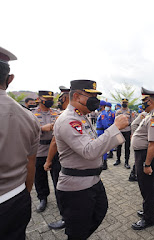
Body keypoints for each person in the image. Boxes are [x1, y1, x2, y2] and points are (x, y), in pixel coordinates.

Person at [54, 79, 128, 239]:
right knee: (77, 231)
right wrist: (115, 128)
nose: (95, 100)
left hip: (92, 180)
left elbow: (93, 144)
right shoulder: (68, 120)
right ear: (77, 96)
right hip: (77, 188)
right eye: (91, 95)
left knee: (99, 211)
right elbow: (89, 151)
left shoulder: (81, 116)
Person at [0, 46, 40, 240]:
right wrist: (24, 193)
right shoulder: (29, 117)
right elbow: (30, 163)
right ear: (10, 79)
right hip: (15, 198)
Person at [131, 87, 154, 230]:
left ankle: (149, 218)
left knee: (148, 187)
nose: (143, 104)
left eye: (144, 101)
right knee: (147, 186)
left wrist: (147, 164)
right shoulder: (151, 114)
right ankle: (149, 211)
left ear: (149, 101)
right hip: (144, 154)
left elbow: (153, 143)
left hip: (147, 155)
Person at [43, 85, 70, 230]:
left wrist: (48, 161)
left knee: (60, 188)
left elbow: (54, 142)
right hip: (71, 159)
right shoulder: (79, 115)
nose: (58, 101)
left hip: (60, 159)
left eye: (59, 98)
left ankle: (65, 218)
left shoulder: (62, 116)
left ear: (65, 98)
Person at [32, 90, 59, 213]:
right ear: (39, 99)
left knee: (57, 177)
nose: (50, 101)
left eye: (51, 98)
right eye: (46, 98)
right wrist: (42, 128)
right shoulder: (32, 114)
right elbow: (28, 132)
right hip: (39, 151)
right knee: (40, 178)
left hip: (55, 150)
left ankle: (60, 198)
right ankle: (42, 198)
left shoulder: (56, 113)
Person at [128, 108, 154, 187]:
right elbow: (134, 124)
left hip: (150, 142)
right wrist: (138, 135)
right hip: (147, 142)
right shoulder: (145, 114)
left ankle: (133, 175)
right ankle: (152, 179)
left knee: (141, 160)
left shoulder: (152, 114)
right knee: (146, 160)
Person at [115, 98, 134, 169]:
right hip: (119, 132)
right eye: (123, 102)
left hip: (127, 131)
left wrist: (132, 134)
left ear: (127, 103)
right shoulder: (117, 111)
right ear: (121, 102)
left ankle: (126, 162)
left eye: (126, 102)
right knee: (118, 146)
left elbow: (132, 123)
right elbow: (115, 123)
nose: (124, 103)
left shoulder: (130, 112)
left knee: (127, 147)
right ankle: (118, 160)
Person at [96, 100, 115, 169]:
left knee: (102, 148)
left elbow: (105, 125)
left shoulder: (103, 114)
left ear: (101, 106)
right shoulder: (101, 113)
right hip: (99, 132)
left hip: (101, 132)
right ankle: (103, 161)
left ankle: (104, 162)